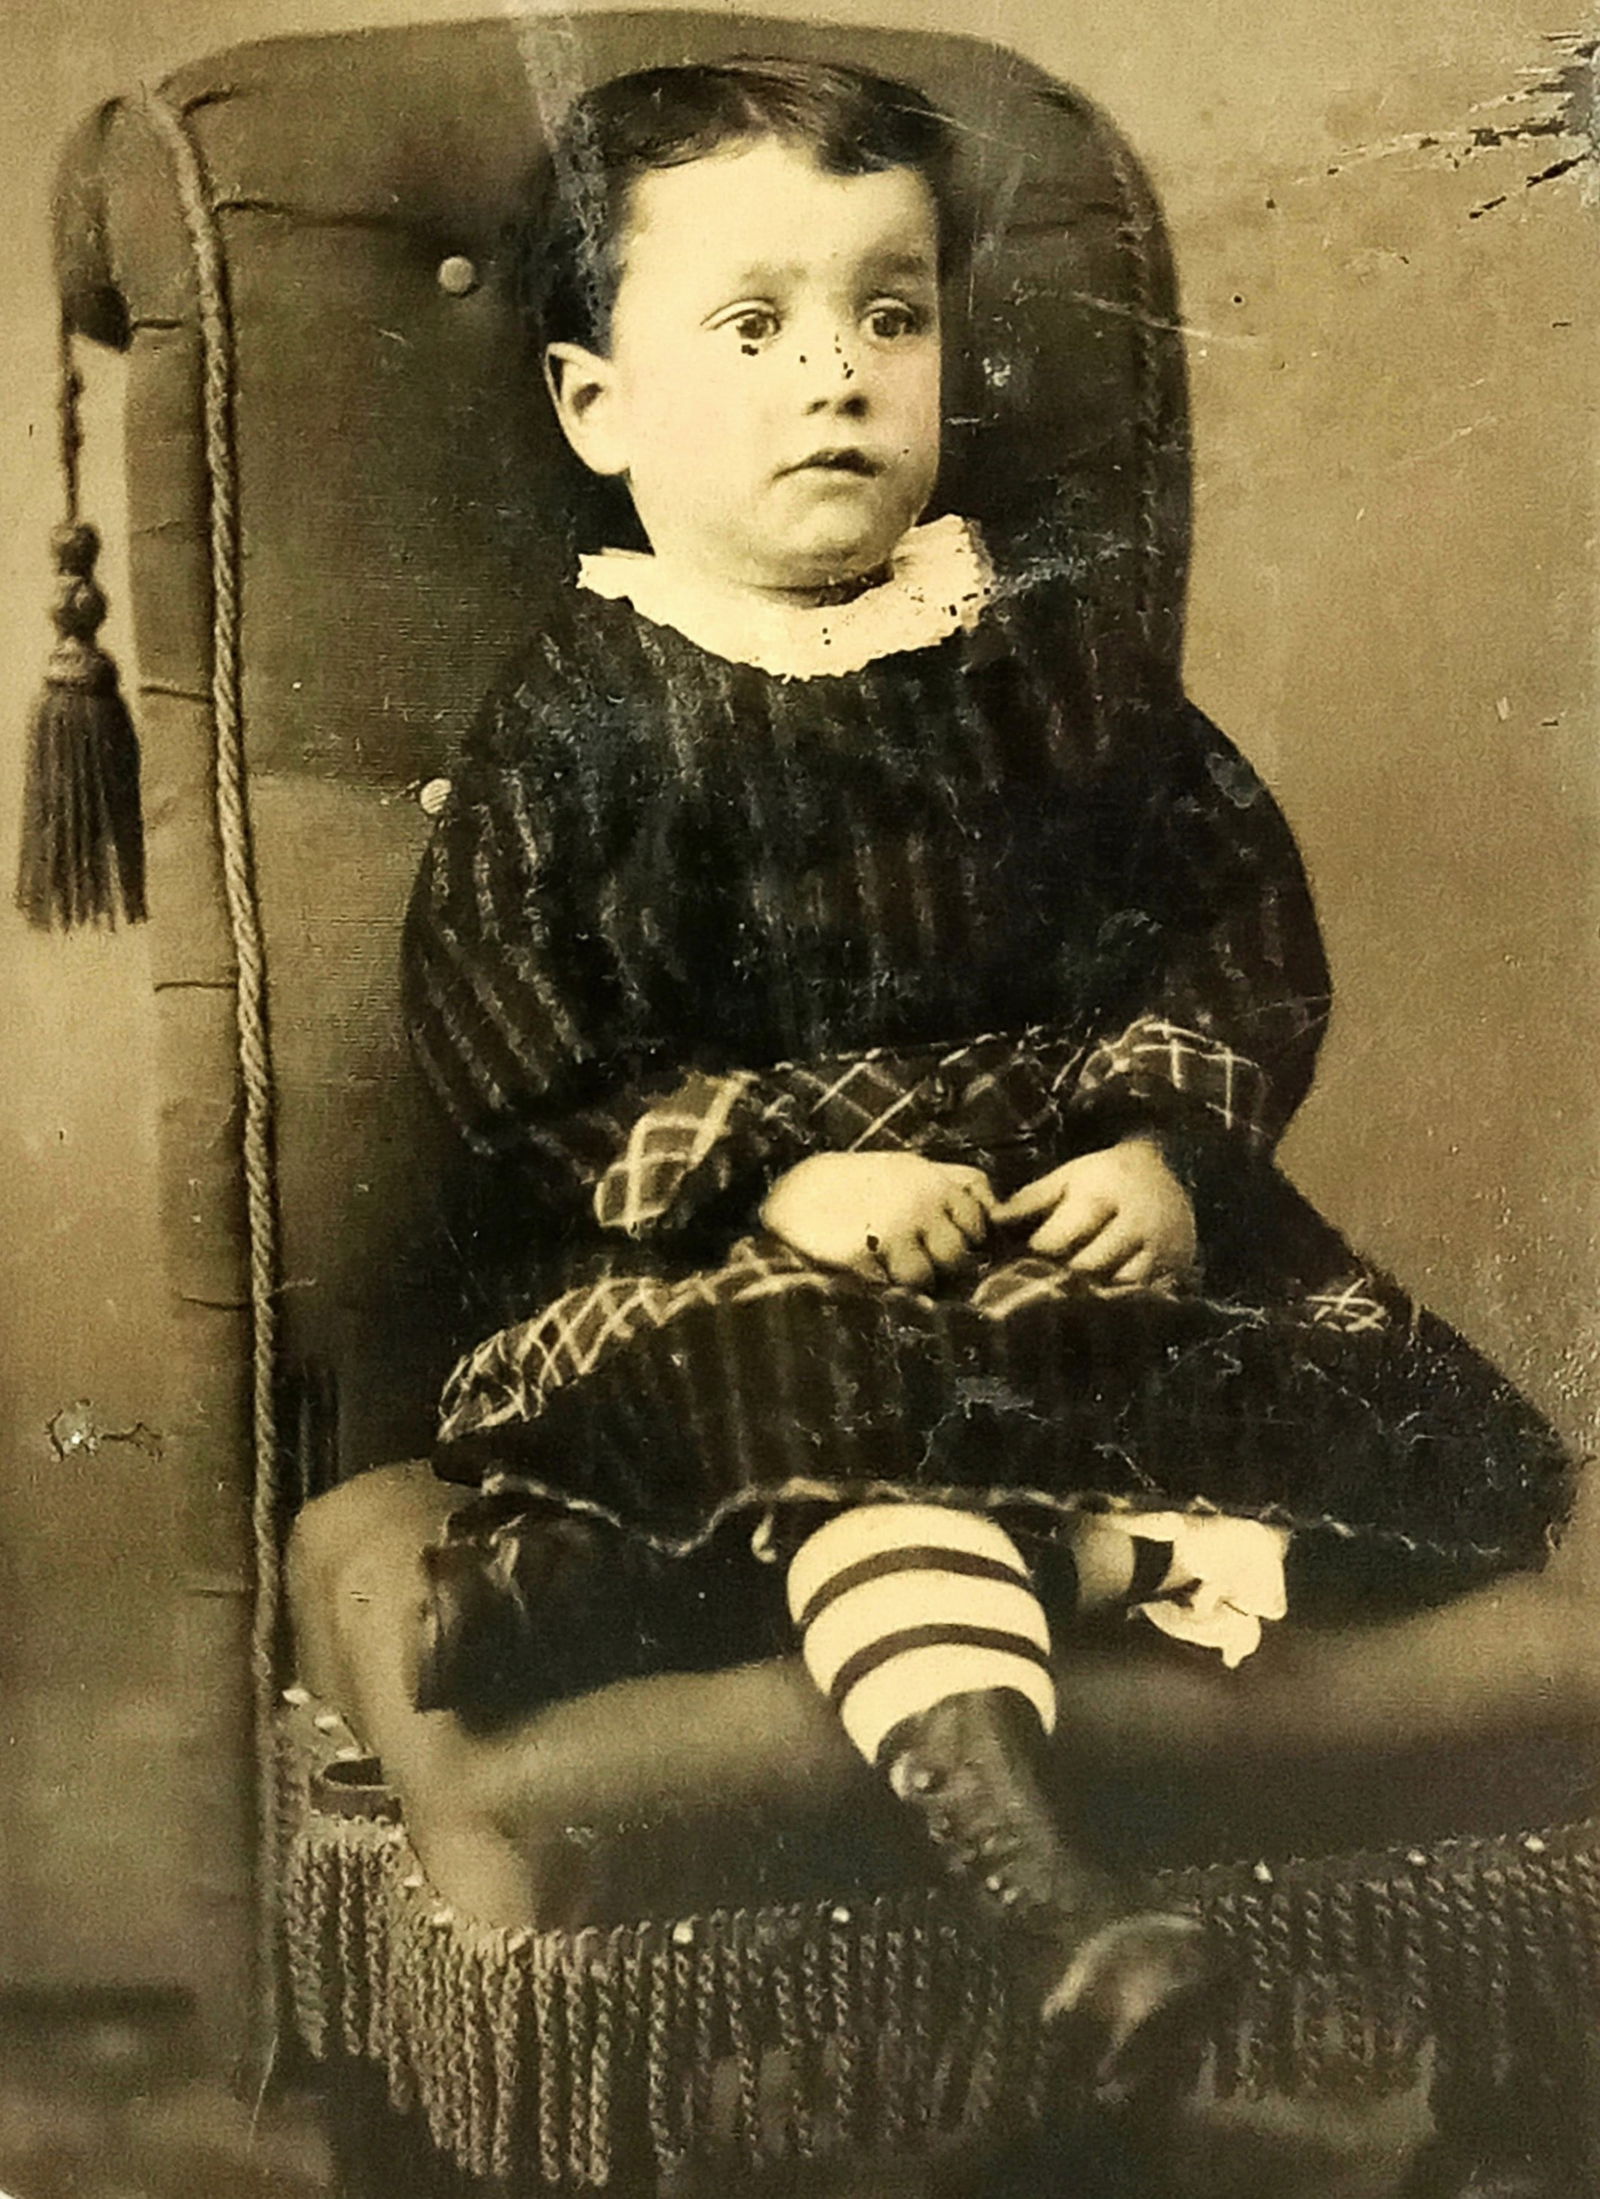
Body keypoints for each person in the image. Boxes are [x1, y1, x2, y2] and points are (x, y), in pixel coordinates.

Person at [399, 56, 1576, 2085]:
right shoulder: (579, 716)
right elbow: (508, 1039)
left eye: (889, 312)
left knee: (1392, 1432)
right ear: (598, 407)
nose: (834, 378)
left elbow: (1231, 915)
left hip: (1052, 1239)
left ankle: (1054, 1558)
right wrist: (771, 1169)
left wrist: (1168, 1148)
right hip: (755, 1271)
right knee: (822, 1413)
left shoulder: (1047, 658)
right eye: (752, 328)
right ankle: (1055, 1898)